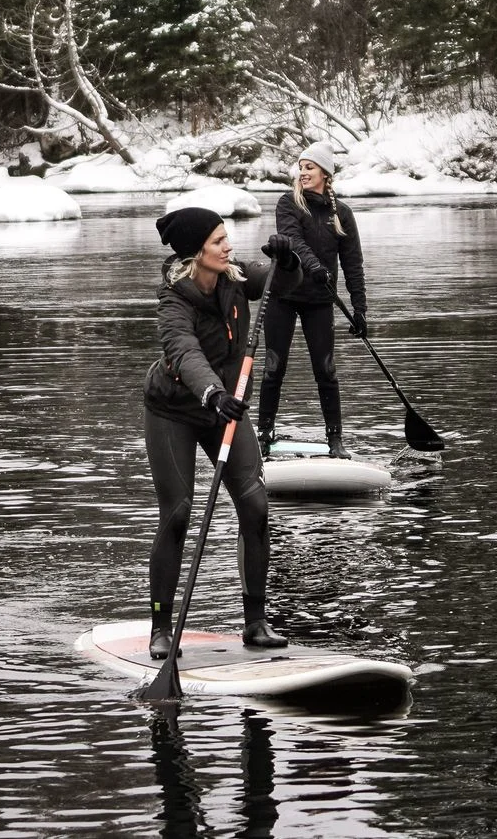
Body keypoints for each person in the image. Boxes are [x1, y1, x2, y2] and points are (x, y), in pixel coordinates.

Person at [142, 204, 287, 660]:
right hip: (177, 410)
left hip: (226, 405)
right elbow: (185, 353)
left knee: (256, 503)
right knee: (179, 512)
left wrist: (292, 258)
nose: (229, 246)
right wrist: (212, 393)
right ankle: (162, 628)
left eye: (227, 237)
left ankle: (256, 623)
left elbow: (285, 281)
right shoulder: (172, 302)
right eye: (218, 241)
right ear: (195, 253)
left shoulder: (234, 275)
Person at [256, 139, 367, 459]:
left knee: (327, 369)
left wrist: (360, 310)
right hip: (284, 295)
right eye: (301, 168)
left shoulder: (342, 214)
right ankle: (264, 436)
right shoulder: (288, 203)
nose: (303, 173)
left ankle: (336, 440)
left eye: (310, 168)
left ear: (325, 174)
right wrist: (314, 266)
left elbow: (353, 263)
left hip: (320, 301)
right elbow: (292, 240)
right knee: (274, 367)